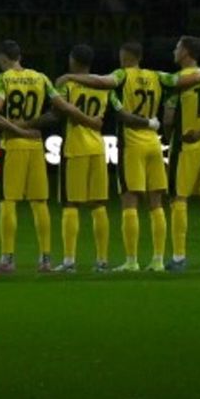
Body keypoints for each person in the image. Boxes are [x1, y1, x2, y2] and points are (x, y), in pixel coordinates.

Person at [60, 42, 176, 272]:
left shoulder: (118, 77)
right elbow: (180, 80)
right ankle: (156, 259)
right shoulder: (157, 76)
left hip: (122, 144)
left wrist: (68, 79)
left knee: (122, 202)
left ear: (125, 56)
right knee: (154, 204)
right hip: (152, 142)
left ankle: (128, 261)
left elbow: (61, 107)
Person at [0, 39, 64, 274]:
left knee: (8, 201)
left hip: (12, 144)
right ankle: (45, 259)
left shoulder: (2, 79)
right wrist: (33, 124)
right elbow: (58, 108)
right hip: (35, 143)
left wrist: (17, 127)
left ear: (2, 58)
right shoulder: (41, 78)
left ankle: (7, 259)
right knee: (39, 202)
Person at [52, 44, 123, 273]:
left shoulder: (68, 84)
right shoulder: (102, 86)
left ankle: (70, 261)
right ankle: (102, 260)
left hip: (75, 148)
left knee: (71, 204)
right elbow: (118, 109)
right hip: (97, 147)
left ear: (73, 61)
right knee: (98, 205)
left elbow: (59, 107)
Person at [163, 36, 200, 271]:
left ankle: (179, 257)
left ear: (186, 52)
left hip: (185, 143)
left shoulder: (180, 80)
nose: (174, 50)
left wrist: (171, 139)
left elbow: (168, 118)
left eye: (177, 47)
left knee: (179, 199)